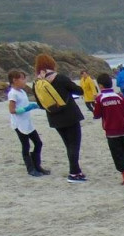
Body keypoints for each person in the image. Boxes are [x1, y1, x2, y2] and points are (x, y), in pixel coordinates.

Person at [34, 54, 86, 183]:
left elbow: (41, 105)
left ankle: (76, 171)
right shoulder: (60, 78)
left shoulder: (37, 84)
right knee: (74, 145)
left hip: (54, 118)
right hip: (70, 115)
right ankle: (73, 173)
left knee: (68, 145)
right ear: (51, 64)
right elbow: (79, 91)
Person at [92, 73, 124, 186]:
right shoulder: (119, 97)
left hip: (111, 132)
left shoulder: (100, 99)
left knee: (117, 154)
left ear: (100, 85)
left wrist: (96, 104)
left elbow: (96, 115)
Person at [7, 69, 47, 177]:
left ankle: (37, 166)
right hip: (19, 124)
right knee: (26, 146)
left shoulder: (22, 92)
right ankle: (31, 169)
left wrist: (35, 105)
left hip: (27, 122)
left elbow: (25, 103)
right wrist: (25, 109)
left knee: (38, 143)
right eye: (23, 78)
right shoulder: (13, 93)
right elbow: (12, 110)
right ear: (15, 80)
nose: (25, 81)